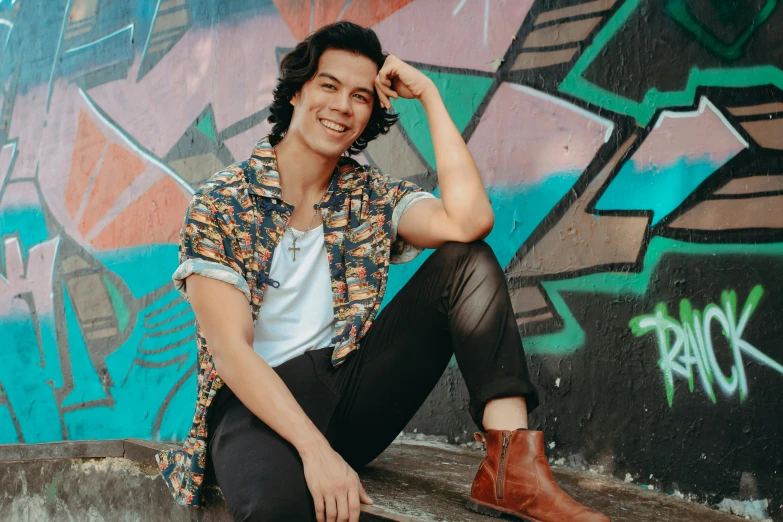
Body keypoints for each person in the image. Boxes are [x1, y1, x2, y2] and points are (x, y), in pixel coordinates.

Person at [155, 21, 609, 522]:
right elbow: (232, 355)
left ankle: (512, 475)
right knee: (275, 509)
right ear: (297, 93)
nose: (342, 107)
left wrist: (432, 98)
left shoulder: (368, 195)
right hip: (252, 411)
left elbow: (469, 220)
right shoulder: (222, 202)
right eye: (328, 86)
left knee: (467, 261)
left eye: (360, 96)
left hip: (346, 393)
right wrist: (316, 452)